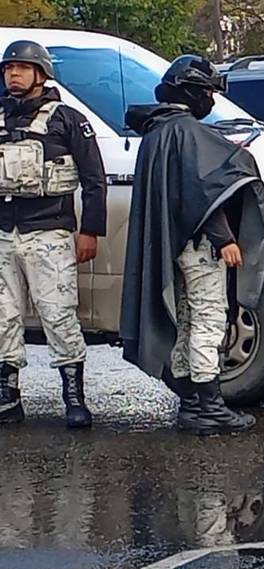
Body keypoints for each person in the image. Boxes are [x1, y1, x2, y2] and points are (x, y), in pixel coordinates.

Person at [120, 55, 264, 436]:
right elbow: (203, 189)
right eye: (207, 91)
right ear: (191, 91)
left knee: (186, 322)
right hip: (200, 246)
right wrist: (224, 238)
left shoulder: (156, 133)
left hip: (171, 247)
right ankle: (210, 407)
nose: (210, 98)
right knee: (208, 322)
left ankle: (190, 404)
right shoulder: (189, 134)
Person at [0, 40, 106, 429]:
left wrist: (90, 231)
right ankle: (7, 398)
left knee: (58, 315)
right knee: (2, 317)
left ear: (41, 74)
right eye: (9, 68)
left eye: (22, 68)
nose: (13, 74)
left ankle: (74, 398)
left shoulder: (67, 119)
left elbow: (95, 180)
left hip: (50, 232)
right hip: (3, 233)